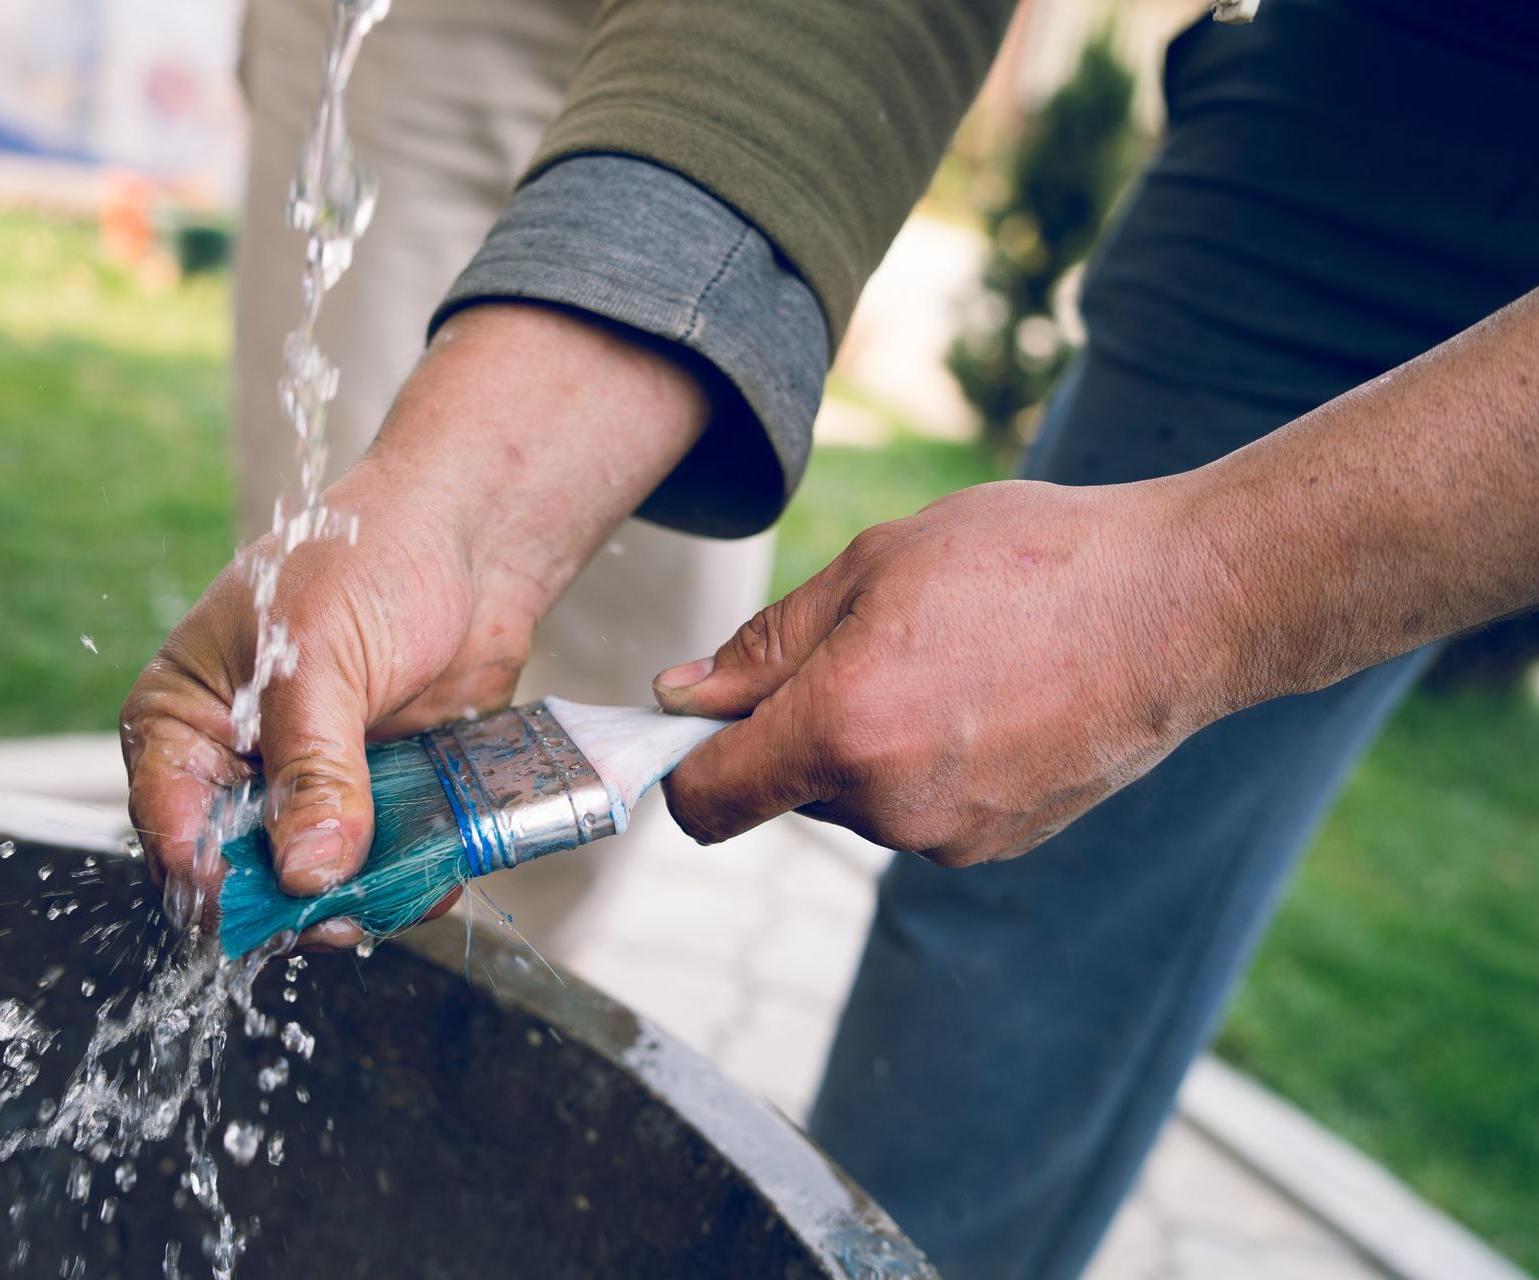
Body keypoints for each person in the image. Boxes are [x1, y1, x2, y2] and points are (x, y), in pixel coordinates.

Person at [122, 1, 1539, 1276]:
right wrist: (461, 511)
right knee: (1003, 917)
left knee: (1080, 798)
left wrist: (1192, 596)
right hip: (1371, 75)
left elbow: (1174, 611)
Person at [226, 0, 776, 952]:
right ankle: (286, 993)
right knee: (346, 636)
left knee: (666, 633)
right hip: (430, 30)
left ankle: (470, 1011)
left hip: (769, 43)